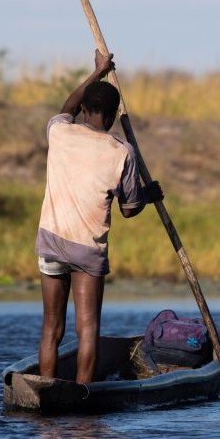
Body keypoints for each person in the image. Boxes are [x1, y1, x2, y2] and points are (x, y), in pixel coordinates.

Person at [36, 49, 164, 383]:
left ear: (84, 110)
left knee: (52, 327)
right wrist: (149, 194)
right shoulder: (121, 151)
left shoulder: (59, 132)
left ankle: (47, 390)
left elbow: (67, 107)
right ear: (111, 117)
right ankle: (82, 395)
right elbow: (129, 208)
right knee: (88, 330)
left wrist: (97, 72)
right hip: (87, 251)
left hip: (51, 242)